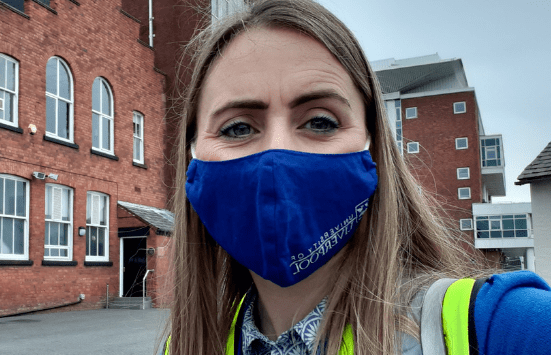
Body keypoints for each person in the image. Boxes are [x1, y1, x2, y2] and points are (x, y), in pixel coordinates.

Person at [162, 0, 551, 354]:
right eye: (237, 128)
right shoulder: (184, 347)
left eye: (320, 121)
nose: (276, 154)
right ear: (193, 156)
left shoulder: (505, 326)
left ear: (373, 147)